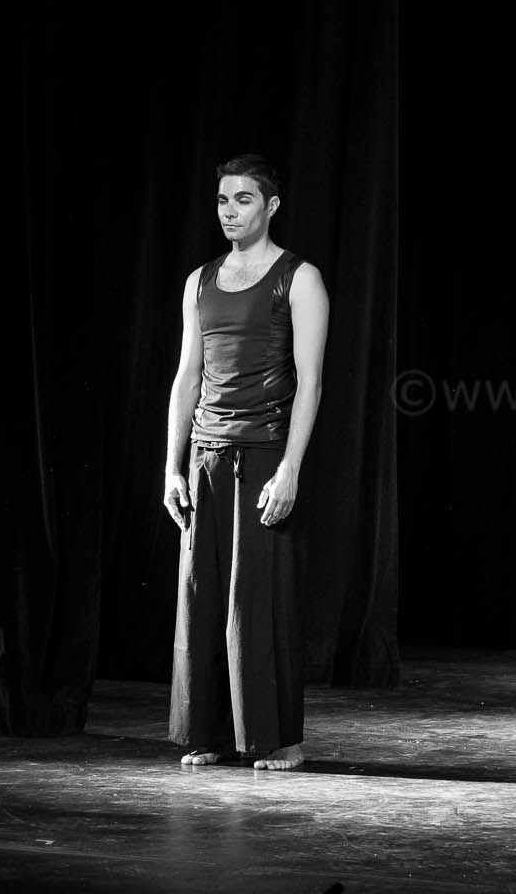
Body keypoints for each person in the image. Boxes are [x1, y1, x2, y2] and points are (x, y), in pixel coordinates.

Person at [162, 154, 330, 770]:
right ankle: (208, 733)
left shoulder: (299, 278)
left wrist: (290, 468)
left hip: (263, 454)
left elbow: (310, 382)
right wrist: (172, 467)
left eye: (244, 200)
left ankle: (280, 738)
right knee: (202, 597)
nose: (230, 211)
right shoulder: (199, 281)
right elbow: (187, 378)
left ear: (271, 206)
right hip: (205, 456)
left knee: (260, 599)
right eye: (222, 200)